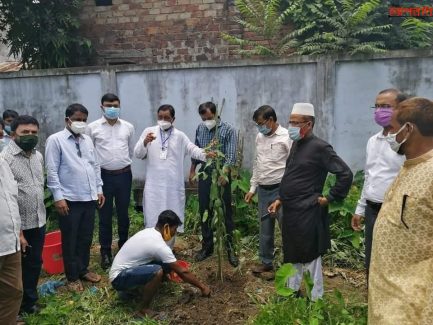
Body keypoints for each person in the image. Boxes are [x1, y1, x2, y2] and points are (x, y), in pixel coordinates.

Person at [268, 103, 352, 300]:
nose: (291, 126)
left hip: (308, 209)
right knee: (293, 251)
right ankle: (292, 290)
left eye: (296, 122)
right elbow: (293, 176)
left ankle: (316, 298)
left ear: (309, 124)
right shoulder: (297, 144)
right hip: (291, 209)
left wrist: (329, 198)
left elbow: (345, 174)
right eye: (290, 121)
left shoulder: (320, 147)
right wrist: (280, 199)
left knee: (311, 254)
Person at [368, 97, 433, 324]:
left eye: (393, 130)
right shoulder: (410, 166)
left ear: (409, 129)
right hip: (387, 295)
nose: (390, 136)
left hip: (412, 304)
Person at [45, 103, 105, 292]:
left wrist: (99, 189)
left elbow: (94, 165)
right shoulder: (56, 140)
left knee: (85, 237)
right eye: (77, 119)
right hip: (69, 198)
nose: (81, 123)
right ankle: (72, 277)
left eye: (84, 120)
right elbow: (52, 170)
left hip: (89, 197)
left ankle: (83, 269)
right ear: (67, 120)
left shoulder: (87, 140)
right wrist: (58, 197)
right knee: (70, 238)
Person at [109, 210, 210, 319]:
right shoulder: (158, 244)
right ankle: (143, 310)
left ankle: (132, 290)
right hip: (118, 278)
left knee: (166, 263)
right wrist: (202, 287)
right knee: (157, 272)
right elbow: (183, 271)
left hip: (125, 271)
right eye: (174, 229)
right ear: (166, 227)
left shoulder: (149, 232)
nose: (174, 233)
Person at [134, 104, 213, 239]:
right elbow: (138, 154)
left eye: (167, 117)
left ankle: (168, 250)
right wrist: (145, 142)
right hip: (154, 186)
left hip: (172, 186)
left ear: (173, 119)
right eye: (160, 117)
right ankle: (153, 248)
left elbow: (192, 149)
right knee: (153, 216)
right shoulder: (149, 132)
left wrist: (206, 154)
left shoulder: (179, 136)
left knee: (172, 217)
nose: (163, 120)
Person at [351, 89, 407, 279]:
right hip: (372, 209)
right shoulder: (372, 141)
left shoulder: (407, 143)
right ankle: (372, 300)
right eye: (377, 106)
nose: (379, 111)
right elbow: (369, 176)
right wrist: (360, 208)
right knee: (371, 258)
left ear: (400, 109)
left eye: (386, 106)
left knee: (393, 260)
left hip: (396, 211)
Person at [0, 115, 45, 315]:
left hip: (38, 219)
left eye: (33, 132)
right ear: (12, 135)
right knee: (17, 268)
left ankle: (30, 301)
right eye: (24, 132)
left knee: (35, 262)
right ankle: (15, 307)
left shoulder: (38, 156)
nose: (30, 136)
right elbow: (8, 198)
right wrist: (18, 231)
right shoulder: (5, 159)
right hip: (18, 226)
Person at [86, 93, 135, 270]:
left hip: (124, 175)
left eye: (115, 105)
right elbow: (90, 154)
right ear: (102, 107)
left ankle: (124, 247)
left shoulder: (128, 127)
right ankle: (105, 252)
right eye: (108, 105)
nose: (112, 108)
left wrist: (120, 165)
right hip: (103, 177)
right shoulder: (92, 128)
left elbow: (130, 151)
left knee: (123, 214)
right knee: (104, 216)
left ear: (120, 105)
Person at [189, 101, 239, 267]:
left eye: (209, 117)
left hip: (221, 173)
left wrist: (225, 173)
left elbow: (231, 155)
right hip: (205, 173)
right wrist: (192, 169)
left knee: (224, 210)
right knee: (205, 209)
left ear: (216, 114)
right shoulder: (200, 128)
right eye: (204, 118)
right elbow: (196, 151)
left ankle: (230, 248)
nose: (207, 121)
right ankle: (207, 247)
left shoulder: (228, 129)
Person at [244, 105, 291, 274]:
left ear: (271, 120)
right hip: (263, 190)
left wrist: (286, 193)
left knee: (287, 228)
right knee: (265, 228)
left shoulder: (286, 137)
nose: (259, 127)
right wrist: (252, 188)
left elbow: (293, 166)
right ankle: (266, 262)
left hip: (281, 190)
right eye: (257, 124)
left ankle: (290, 265)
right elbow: (257, 163)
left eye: (261, 123)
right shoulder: (259, 137)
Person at [0, 157, 22, 325]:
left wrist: (19, 232)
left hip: (10, 241)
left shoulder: (2, 162)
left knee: (13, 292)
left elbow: (11, 199)